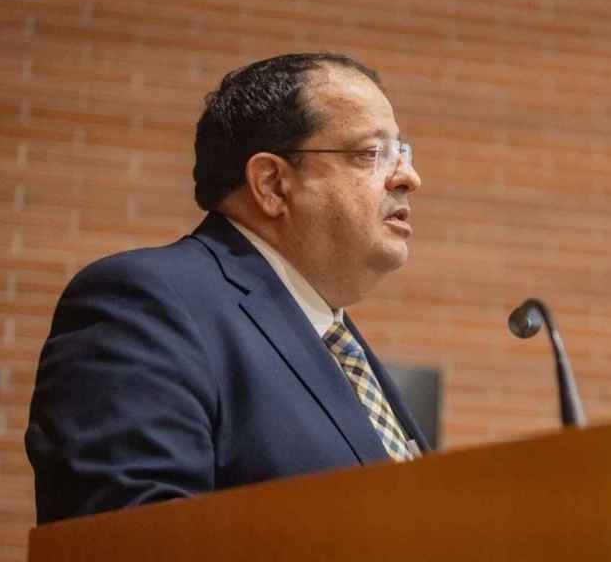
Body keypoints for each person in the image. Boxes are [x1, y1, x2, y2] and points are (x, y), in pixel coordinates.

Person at [24, 53, 429, 524]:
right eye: (370, 153)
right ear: (272, 184)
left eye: (402, 152)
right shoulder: (144, 304)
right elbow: (132, 539)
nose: (408, 177)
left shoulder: (337, 343)